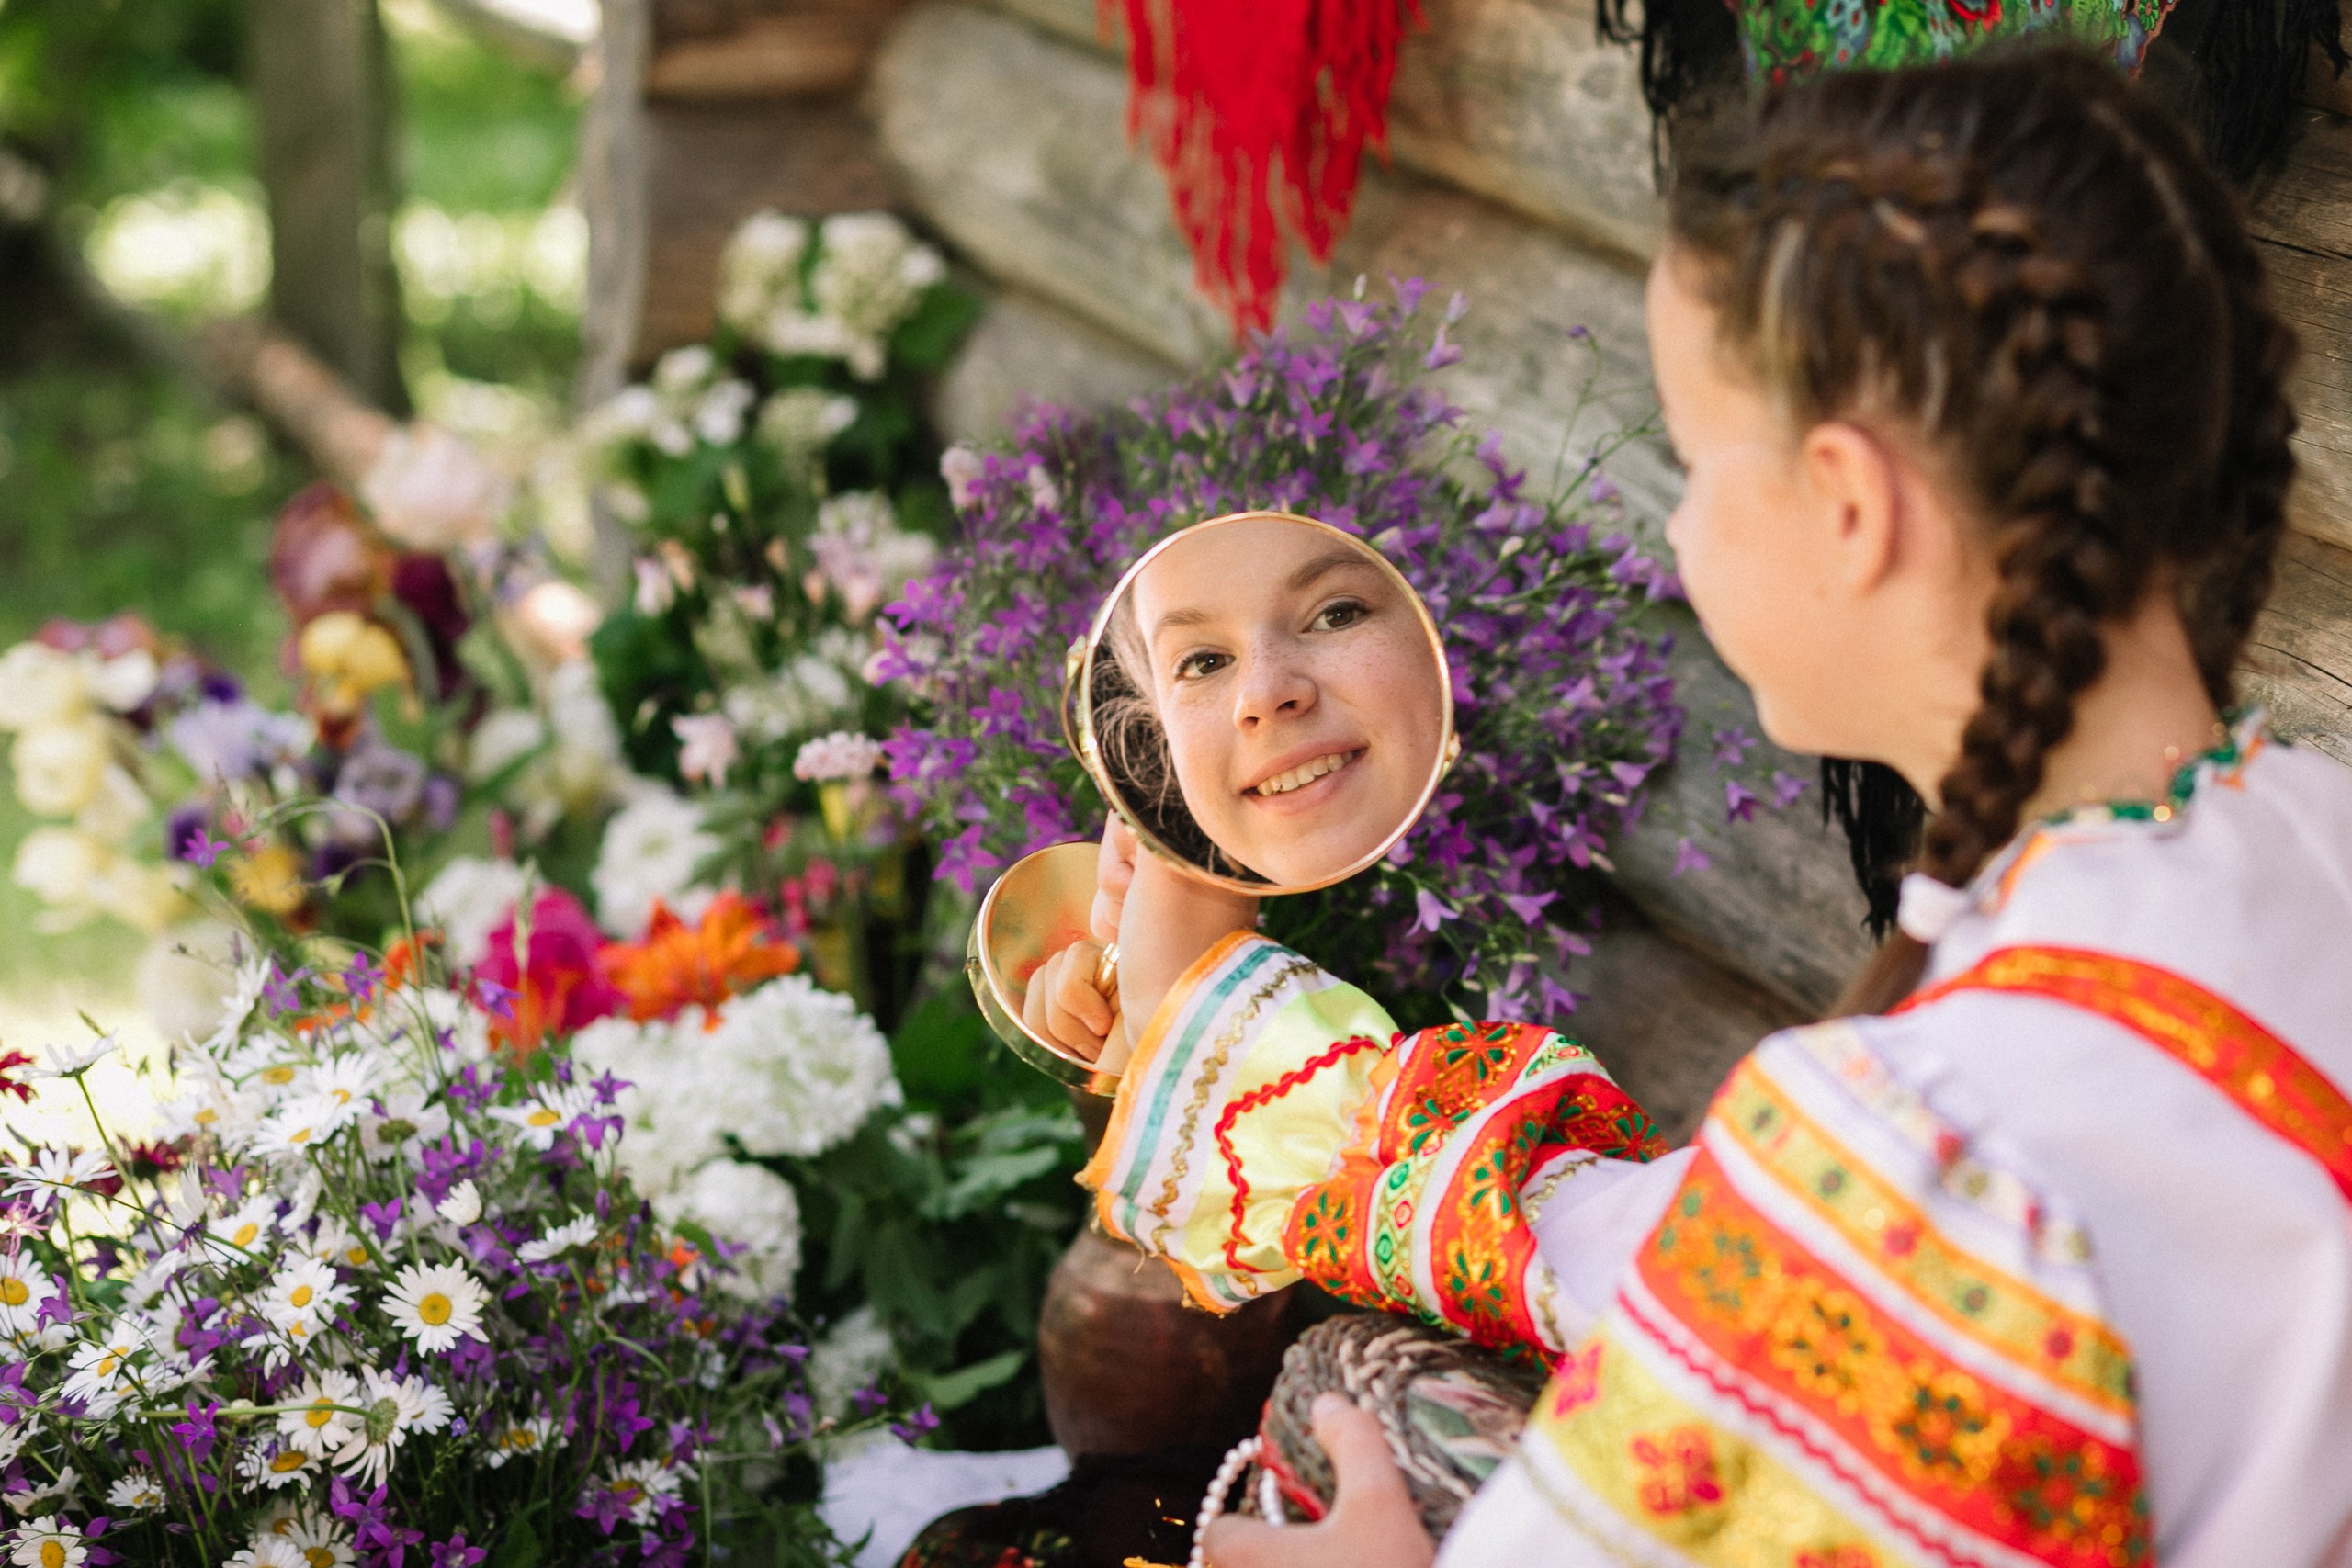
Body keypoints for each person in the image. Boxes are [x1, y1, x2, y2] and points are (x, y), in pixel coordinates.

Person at [1023, 46, 2352, 1568]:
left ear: (1849, 505)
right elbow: (1729, 1262)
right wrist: (1239, 1030)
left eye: (1697, 461)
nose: (1679, 530)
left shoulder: (1936, 1150)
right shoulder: (2311, 836)